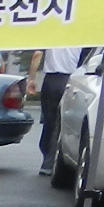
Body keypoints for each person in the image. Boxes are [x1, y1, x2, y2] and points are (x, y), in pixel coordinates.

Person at [35, 47, 83, 175]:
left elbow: (37, 54)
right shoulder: (82, 39)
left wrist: (31, 78)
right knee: (62, 123)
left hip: (50, 80)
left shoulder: (52, 36)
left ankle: (47, 156)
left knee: (49, 121)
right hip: (72, 79)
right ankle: (52, 160)